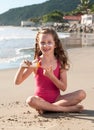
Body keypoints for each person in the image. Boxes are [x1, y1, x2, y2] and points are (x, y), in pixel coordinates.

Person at [14, 27, 86, 114]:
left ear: (55, 44)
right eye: (42, 43)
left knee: (82, 93)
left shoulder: (60, 63)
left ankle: (47, 108)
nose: (45, 46)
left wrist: (51, 76)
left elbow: (63, 87)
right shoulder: (36, 63)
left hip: (57, 99)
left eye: (49, 42)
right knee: (30, 100)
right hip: (40, 101)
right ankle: (65, 109)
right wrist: (21, 68)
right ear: (38, 44)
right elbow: (17, 82)